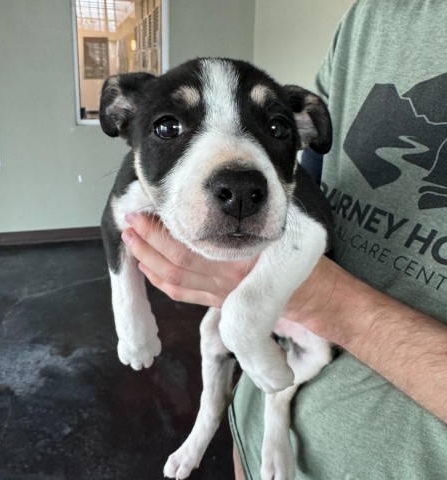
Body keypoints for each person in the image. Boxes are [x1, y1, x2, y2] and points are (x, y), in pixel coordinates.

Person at [121, 0, 447, 477]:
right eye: (170, 126)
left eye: (273, 127)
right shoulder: (370, 17)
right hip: (249, 436)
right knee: (213, 336)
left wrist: (315, 302)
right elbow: (308, 187)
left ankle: (272, 410)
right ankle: (214, 425)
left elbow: (303, 221)